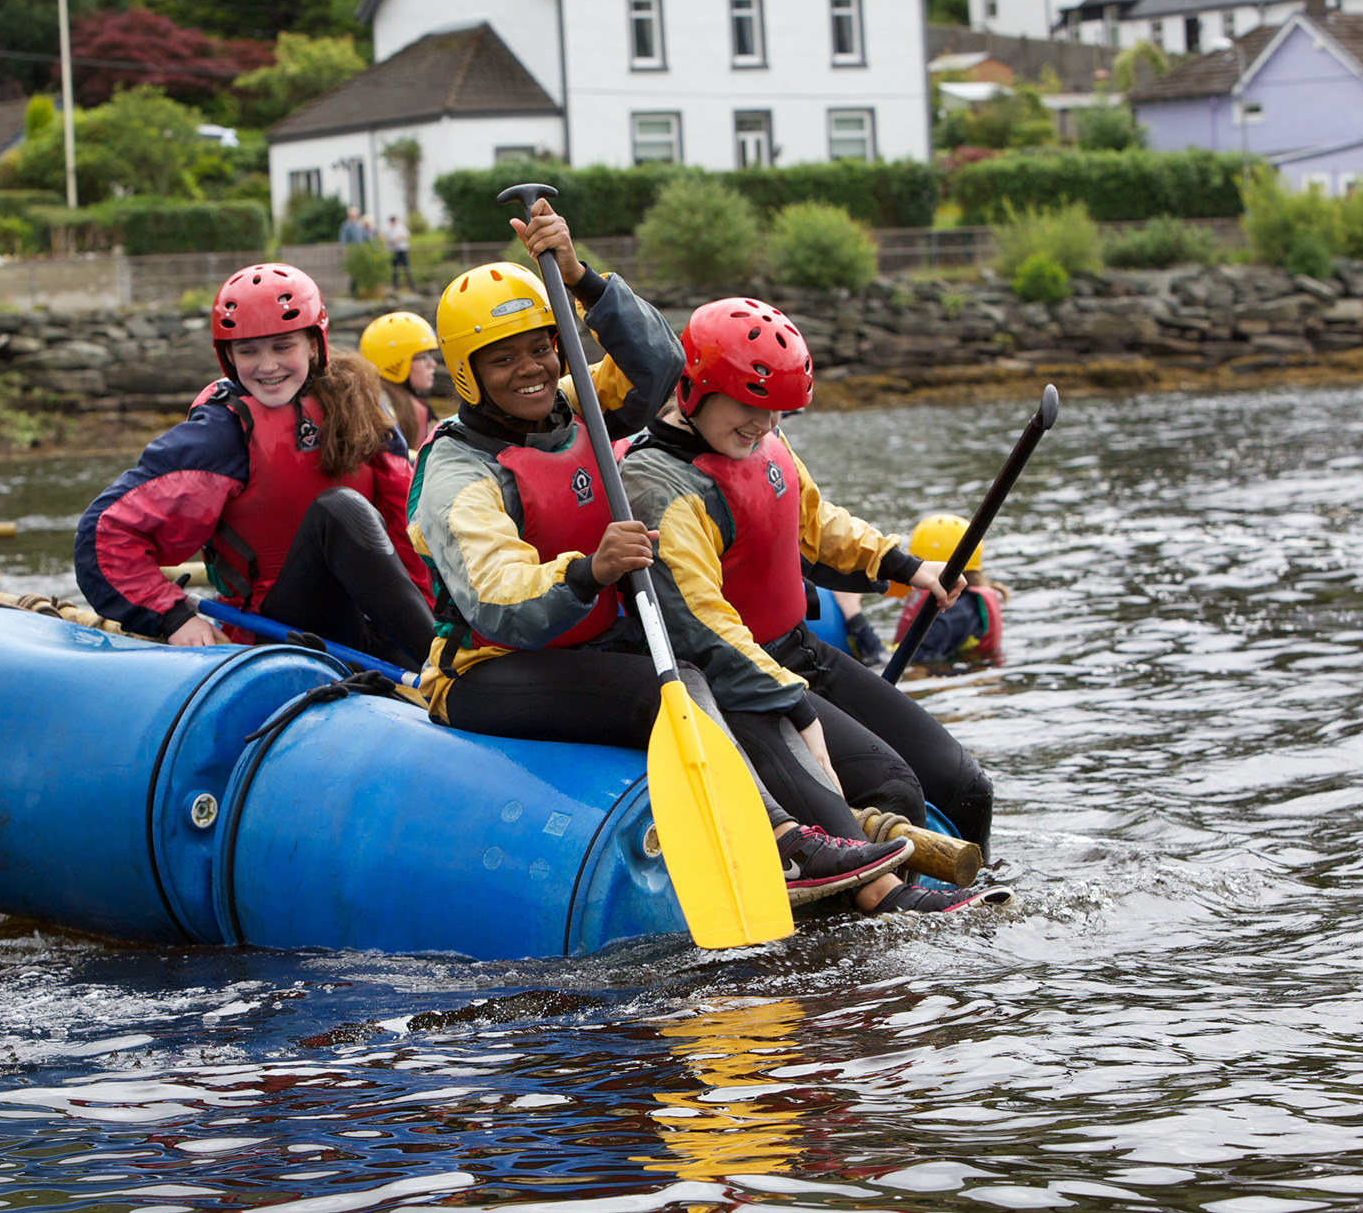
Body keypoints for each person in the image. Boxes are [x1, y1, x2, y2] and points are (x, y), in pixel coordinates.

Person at [410, 204, 911, 906]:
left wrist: (581, 278)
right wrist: (590, 569)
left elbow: (660, 363)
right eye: (501, 358)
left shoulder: (575, 403)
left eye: (539, 347)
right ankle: (777, 844)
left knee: (704, 666)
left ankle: (835, 855)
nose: (528, 369)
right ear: (465, 372)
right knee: (666, 686)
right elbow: (499, 599)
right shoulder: (458, 472)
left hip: (594, 645)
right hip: (492, 670)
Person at [618, 297, 1011, 915]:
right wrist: (796, 704)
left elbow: (816, 525)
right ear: (694, 389)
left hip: (798, 650)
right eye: (751, 405)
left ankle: (968, 893)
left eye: (777, 410)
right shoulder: (657, 484)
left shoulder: (766, 443)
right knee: (892, 784)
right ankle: (883, 921)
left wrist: (907, 567)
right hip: (734, 683)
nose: (766, 425)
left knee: (964, 784)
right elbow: (702, 623)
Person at [76, 263, 435, 666]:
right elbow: (103, 536)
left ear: (314, 345)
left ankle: (437, 660)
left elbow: (409, 540)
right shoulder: (220, 434)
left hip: (367, 629)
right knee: (340, 510)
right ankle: (445, 670)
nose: (266, 366)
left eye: (283, 346)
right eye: (248, 351)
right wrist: (173, 616)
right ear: (227, 356)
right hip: (275, 633)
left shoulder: (364, 410)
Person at [891, 514, 1009, 667]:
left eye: (916, 562)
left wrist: (855, 615)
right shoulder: (962, 603)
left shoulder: (957, 613)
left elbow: (909, 662)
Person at [361, 311, 441, 453]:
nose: (433, 364)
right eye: (423, 357)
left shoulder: (373, 399)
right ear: (396, 362)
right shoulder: (382, 410)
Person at [385, 215, 415, 292]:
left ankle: (411, 285)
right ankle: (396, 286)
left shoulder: (401, 227)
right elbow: (392, 240)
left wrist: (399, 237)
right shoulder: (389, 230)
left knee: (407, 268)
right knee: (395, 270)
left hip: (403, 250)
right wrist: (400, 237)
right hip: (395, 251)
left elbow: (407, 235)